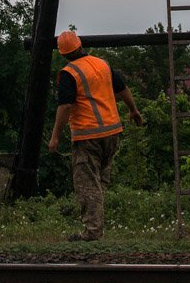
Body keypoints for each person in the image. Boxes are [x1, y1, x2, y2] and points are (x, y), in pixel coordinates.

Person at [48, 29, 143, 242]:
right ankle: (96, 226)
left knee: (88, 184)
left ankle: (92, 233)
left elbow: (65, 107)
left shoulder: (68, 73)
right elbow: (123, 89)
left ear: (62, 54)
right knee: (99, 182)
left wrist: (55, 137)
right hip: (112, 133)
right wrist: (134, 110)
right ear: (80, 45)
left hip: (87, 136)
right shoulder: (102, 64)